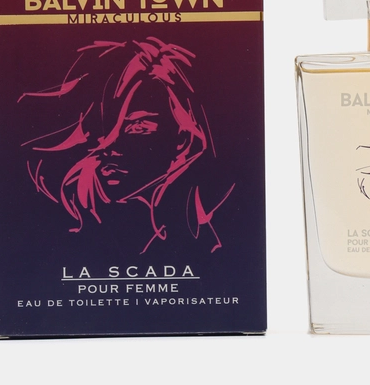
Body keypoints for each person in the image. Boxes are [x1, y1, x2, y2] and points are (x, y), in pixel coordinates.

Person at [19, 37, 231, 252]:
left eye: (138, 127)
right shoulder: (62, 236)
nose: (108, 148)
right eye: (100, 129)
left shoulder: (206, 247)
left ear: (183, 139)